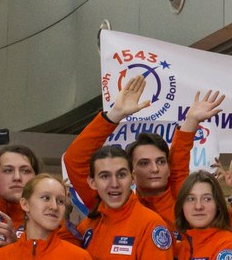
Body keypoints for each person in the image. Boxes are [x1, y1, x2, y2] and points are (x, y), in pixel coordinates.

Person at [63, 73, 210, 227]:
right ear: (131, 174)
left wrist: (190, 122)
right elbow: (74, 160)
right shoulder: (113, 202)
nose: (155, 169)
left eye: (161, 162)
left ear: (168, 168)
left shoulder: (185, 203)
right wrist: (114, 115)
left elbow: (178, 164)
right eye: (144, 163)